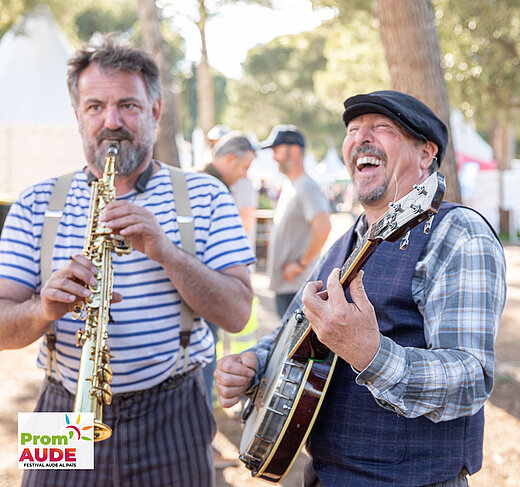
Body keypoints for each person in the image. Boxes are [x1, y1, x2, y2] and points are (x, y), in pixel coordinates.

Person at [215, 90, 507, 486]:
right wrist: (254, 364)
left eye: (381, 127)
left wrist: (372, 354)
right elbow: (293, 332)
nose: (360, 139)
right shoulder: (345, 242)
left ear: (426, 156)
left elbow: (470, 378)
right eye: (353, 130)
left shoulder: (458, 234)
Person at [0, 37, 255, 486]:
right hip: (62, 403)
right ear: (78, 115)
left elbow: (237, 314)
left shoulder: (205, 195)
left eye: (128, 106)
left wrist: (167, 252)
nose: (111, 122)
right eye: (95, 106)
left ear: (155, 112)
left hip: (173, 409)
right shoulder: (35, 202)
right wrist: (42, 309)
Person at [200, 132, 257, 407]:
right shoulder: (208, 187)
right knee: (203, 354)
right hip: (205, 290)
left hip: (209, 288)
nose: (244, 175)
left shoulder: (209, 183)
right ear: (231, 158)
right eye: (244, 167)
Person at [261, 126, 331, 317]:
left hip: (296, 287)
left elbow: (323, 226)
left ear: (294, 150)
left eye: (276, 150)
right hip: (287, 287)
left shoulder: (306, 186)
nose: (274, 157)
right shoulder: (291, 185)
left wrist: (300, 264)